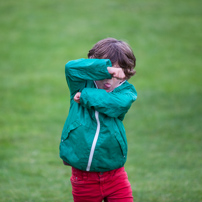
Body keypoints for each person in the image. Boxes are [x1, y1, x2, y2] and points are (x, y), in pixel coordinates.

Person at [59, 38, 137, 202]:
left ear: (125, 72)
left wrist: (86, 95)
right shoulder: (80, 83)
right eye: (106, 74)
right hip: (84, 179)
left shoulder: (127, 92)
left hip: (115, 175)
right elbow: (70, 67)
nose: (108, 80)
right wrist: (104, 69)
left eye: (115, 73)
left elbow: (113, 104)